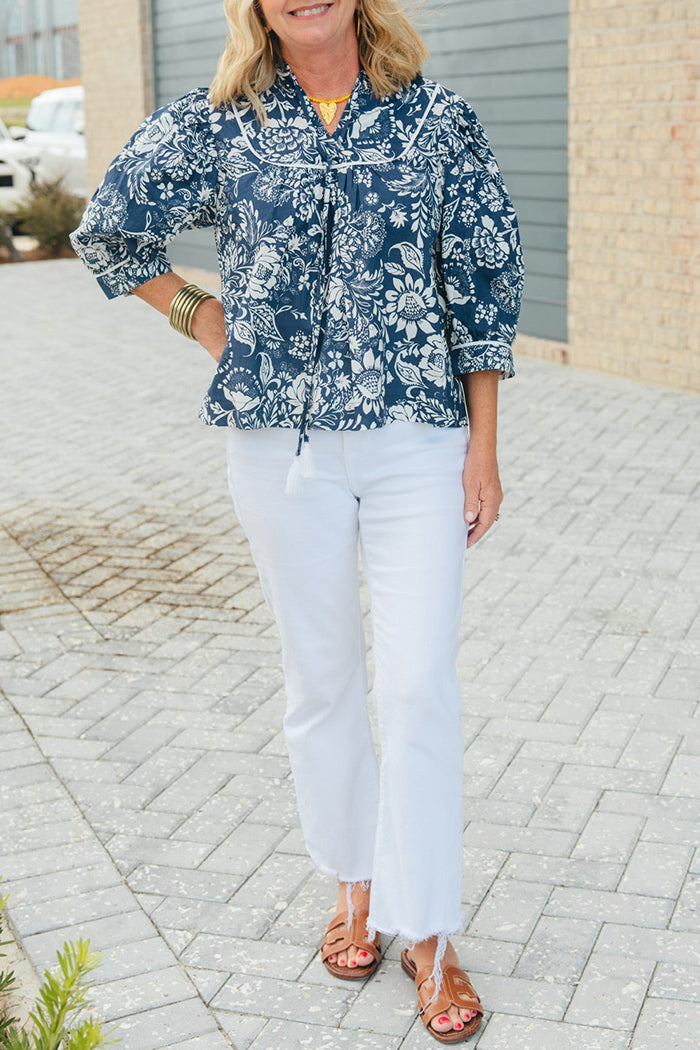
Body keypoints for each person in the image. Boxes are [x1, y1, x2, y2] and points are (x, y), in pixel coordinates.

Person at [70, 0, 524, 1041]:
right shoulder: (219, 123)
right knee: (321, 681)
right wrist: (205, 319)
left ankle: (432, 935)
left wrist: (484, 446)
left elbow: (486, 284)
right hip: (279, 447)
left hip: (417, 438)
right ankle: (353, 885)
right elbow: (109, 228)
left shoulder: (434, 121)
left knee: (417, 688)